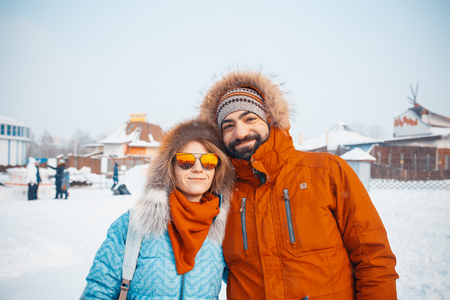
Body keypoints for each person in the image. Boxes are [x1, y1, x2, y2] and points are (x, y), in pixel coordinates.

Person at [199, 69, 399, 299]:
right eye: (228, 125)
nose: (241, 132)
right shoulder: (220, 194)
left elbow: (373, 257)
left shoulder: (327, 172)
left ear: (270, 119)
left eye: (250, 118)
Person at [83, 119, 235, 299]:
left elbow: (250, 282)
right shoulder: (132, 226)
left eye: (209, 161)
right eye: (185, 161)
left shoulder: (225, 230)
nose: (198, 169)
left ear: (217, 169)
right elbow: (98, 292)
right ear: (169, 168)